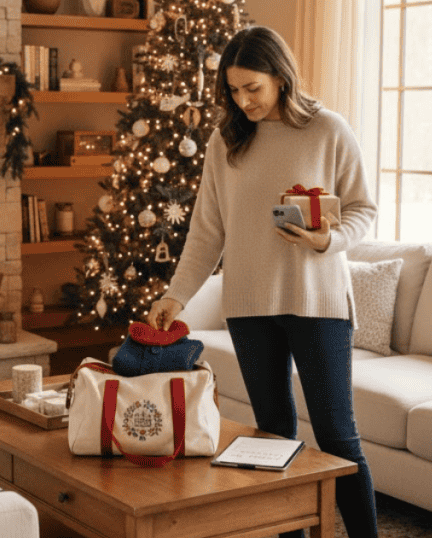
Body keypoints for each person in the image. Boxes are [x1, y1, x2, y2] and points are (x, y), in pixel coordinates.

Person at [146, 26, 379, 538]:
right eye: (233, 90)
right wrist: (175, 295)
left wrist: (327, 239)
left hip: (318, 304)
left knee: (338, 438)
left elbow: (363, 210)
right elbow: (207, 230)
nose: (243, 100)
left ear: (281, 78)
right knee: (273, 435)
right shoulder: (226, 141)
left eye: (252, 88)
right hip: (250, 307)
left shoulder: (328, 129)